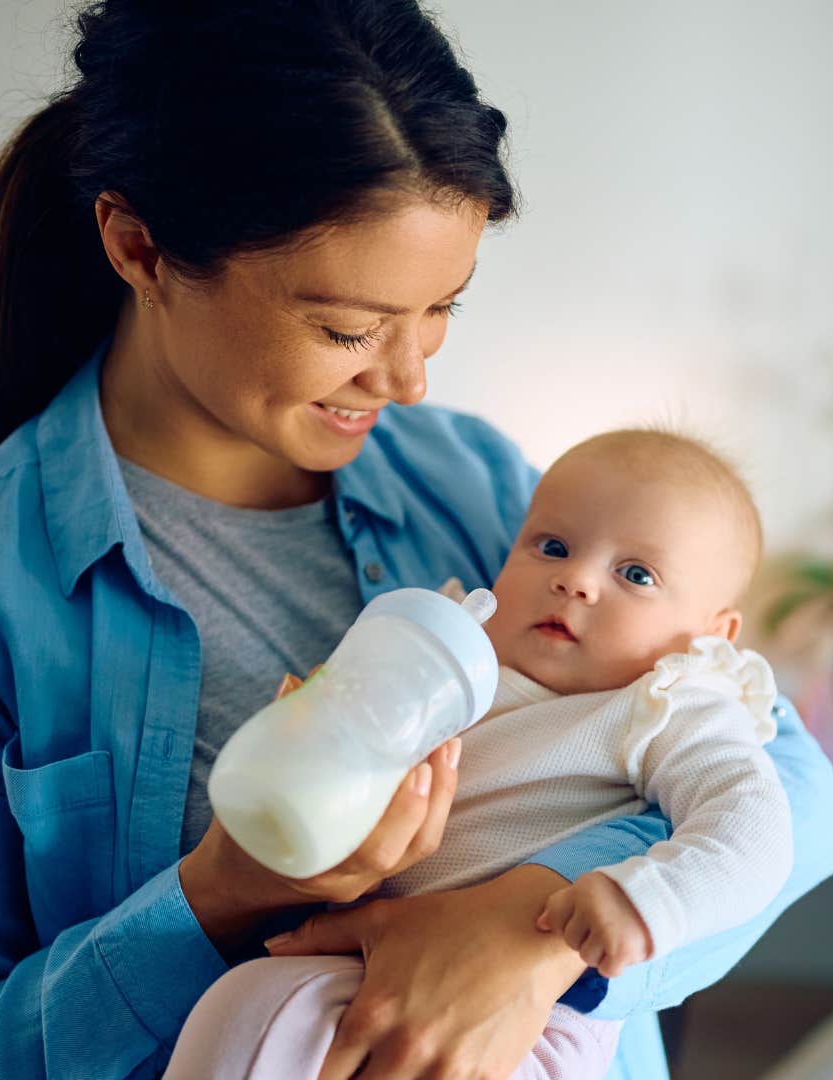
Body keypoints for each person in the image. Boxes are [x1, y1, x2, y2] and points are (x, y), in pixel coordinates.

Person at [0, 2, 833, 1078]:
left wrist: (526, 933)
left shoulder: (481, 488)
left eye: (442, 309)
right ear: (140, 247)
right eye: (348, 329)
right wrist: (218, 898)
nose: (407, 381)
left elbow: (797, 802)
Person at [166, 430, 794, 1078]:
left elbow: (755, 825)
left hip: (533, 1017)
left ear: (711, 635)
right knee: (240, 1010)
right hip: (357, 959)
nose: (574, 580)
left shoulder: (669, 703)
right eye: (552, 547)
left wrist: (646, 899)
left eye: (636, 574)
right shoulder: (454, 645)